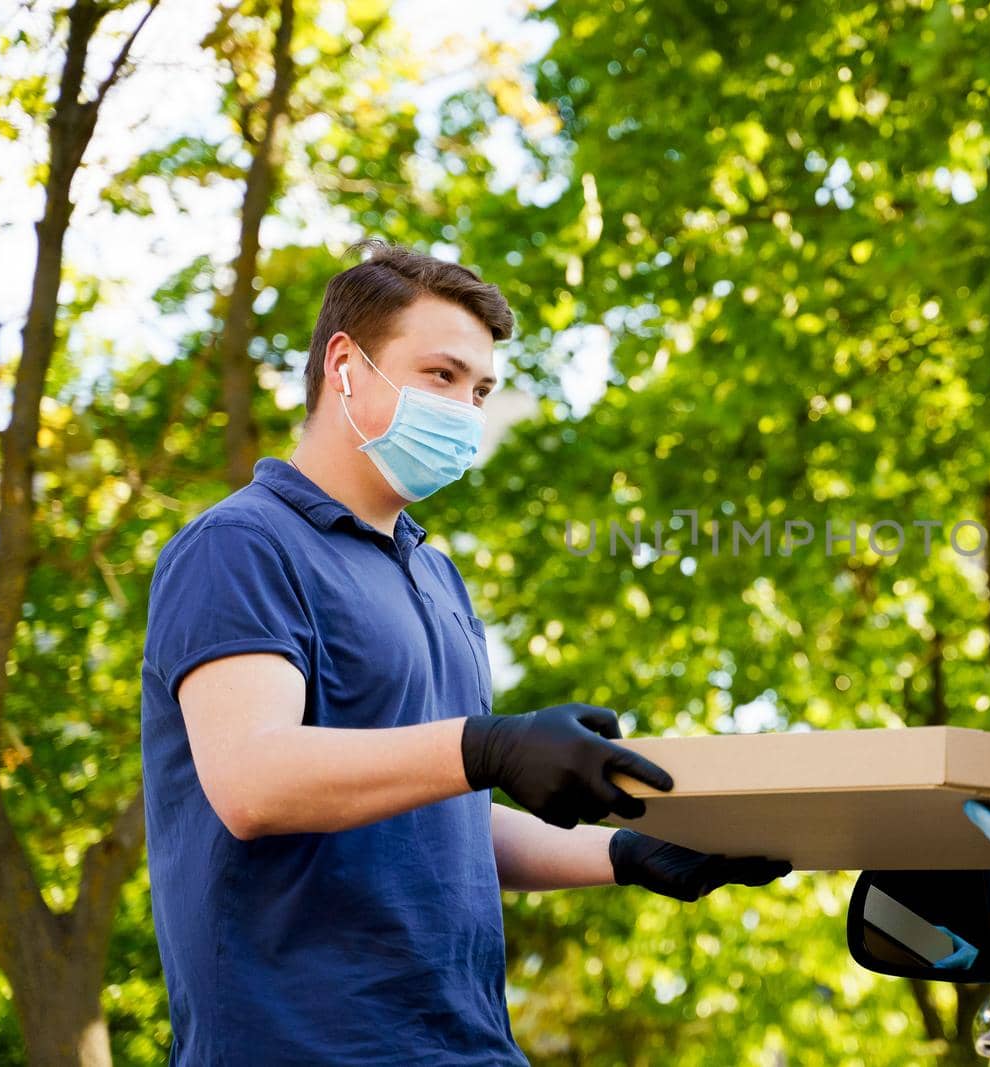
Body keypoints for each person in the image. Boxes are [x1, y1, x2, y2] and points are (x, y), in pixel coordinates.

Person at [139, 239, 791, 1066]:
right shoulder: (240, 545)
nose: (465, 409)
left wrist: (627, 854)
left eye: (479, 389)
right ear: (344, 364)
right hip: (300, 1045)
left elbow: (443, 813)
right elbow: (252, 780)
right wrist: (490, 744)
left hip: (467, 1044)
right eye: (441, 376)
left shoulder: (434, 573)